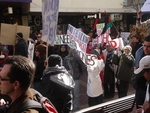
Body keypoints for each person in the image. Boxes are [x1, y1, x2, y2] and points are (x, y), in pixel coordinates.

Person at [134, 35, 150, 109]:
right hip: (140, 87)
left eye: (148, 46)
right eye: (144, 46)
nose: (145, 49)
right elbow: (136, 70)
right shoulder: (139, 52)